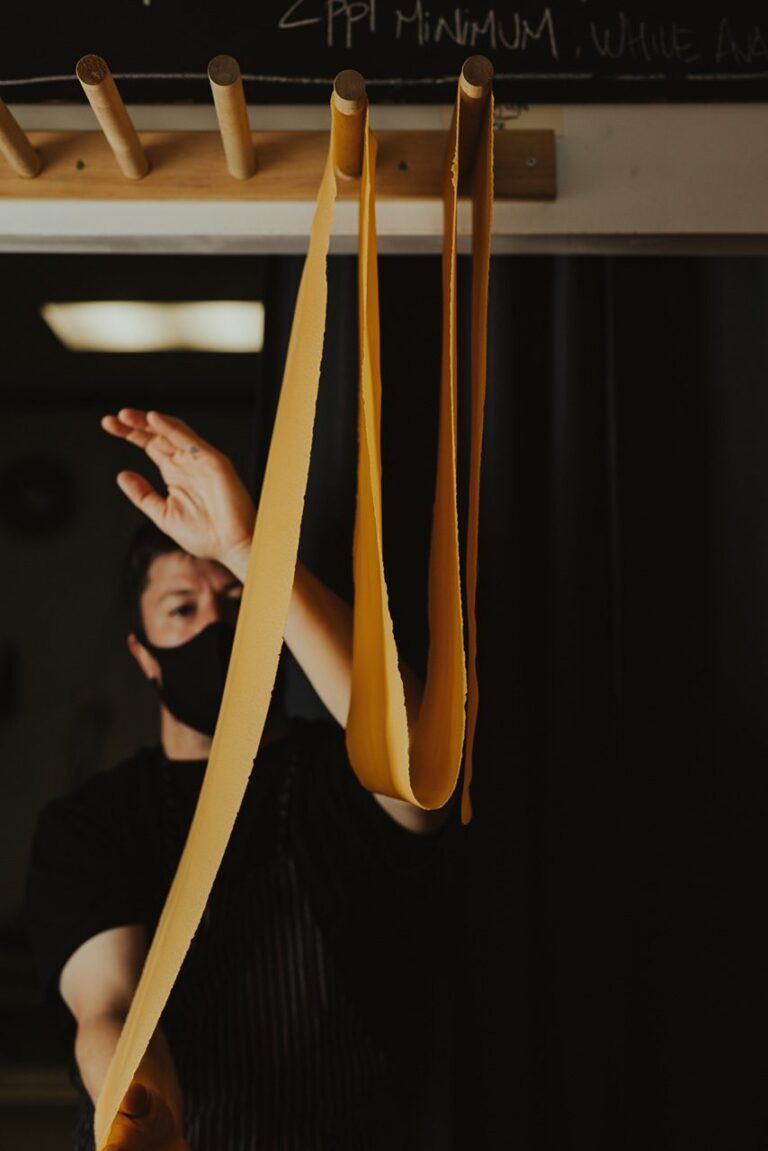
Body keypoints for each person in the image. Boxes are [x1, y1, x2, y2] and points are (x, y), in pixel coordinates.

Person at [24, 408, 457, 1151]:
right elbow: (110, 1005)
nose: (215, 626)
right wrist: (142, 1113)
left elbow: (421, 769)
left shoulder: (337, 777)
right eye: (182, 609)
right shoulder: (93, 821)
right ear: (143, 653)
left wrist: (248, 549)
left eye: (235, 602)